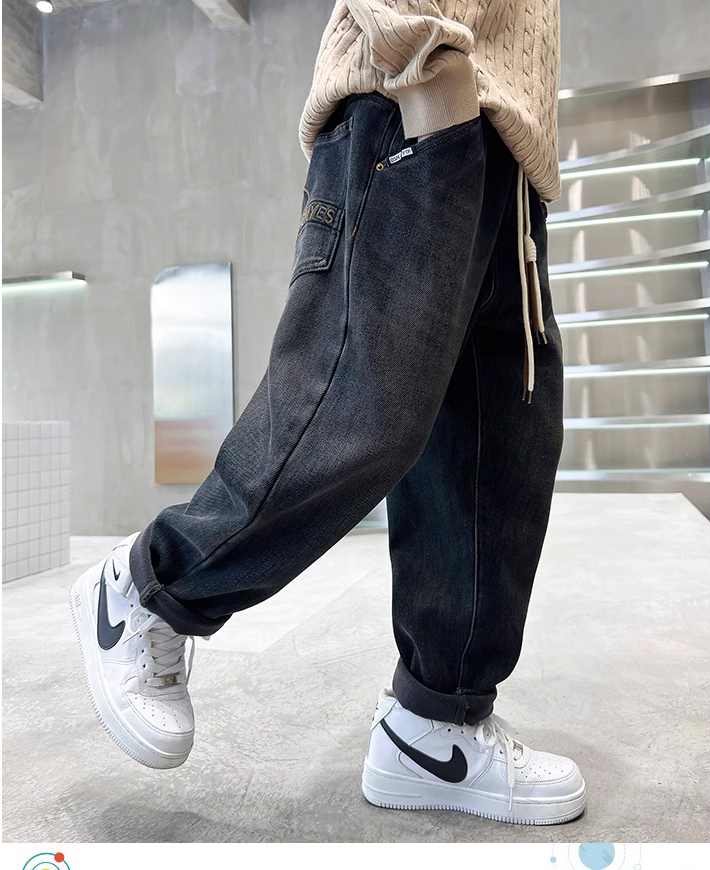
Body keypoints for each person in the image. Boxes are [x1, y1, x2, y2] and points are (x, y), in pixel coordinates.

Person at [70, 0, 586, 825]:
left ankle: (435, 727)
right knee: (353, 411)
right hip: (414, 101)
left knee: (497, 456)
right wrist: (420, 56)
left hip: (512, 165)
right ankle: (147, 588)